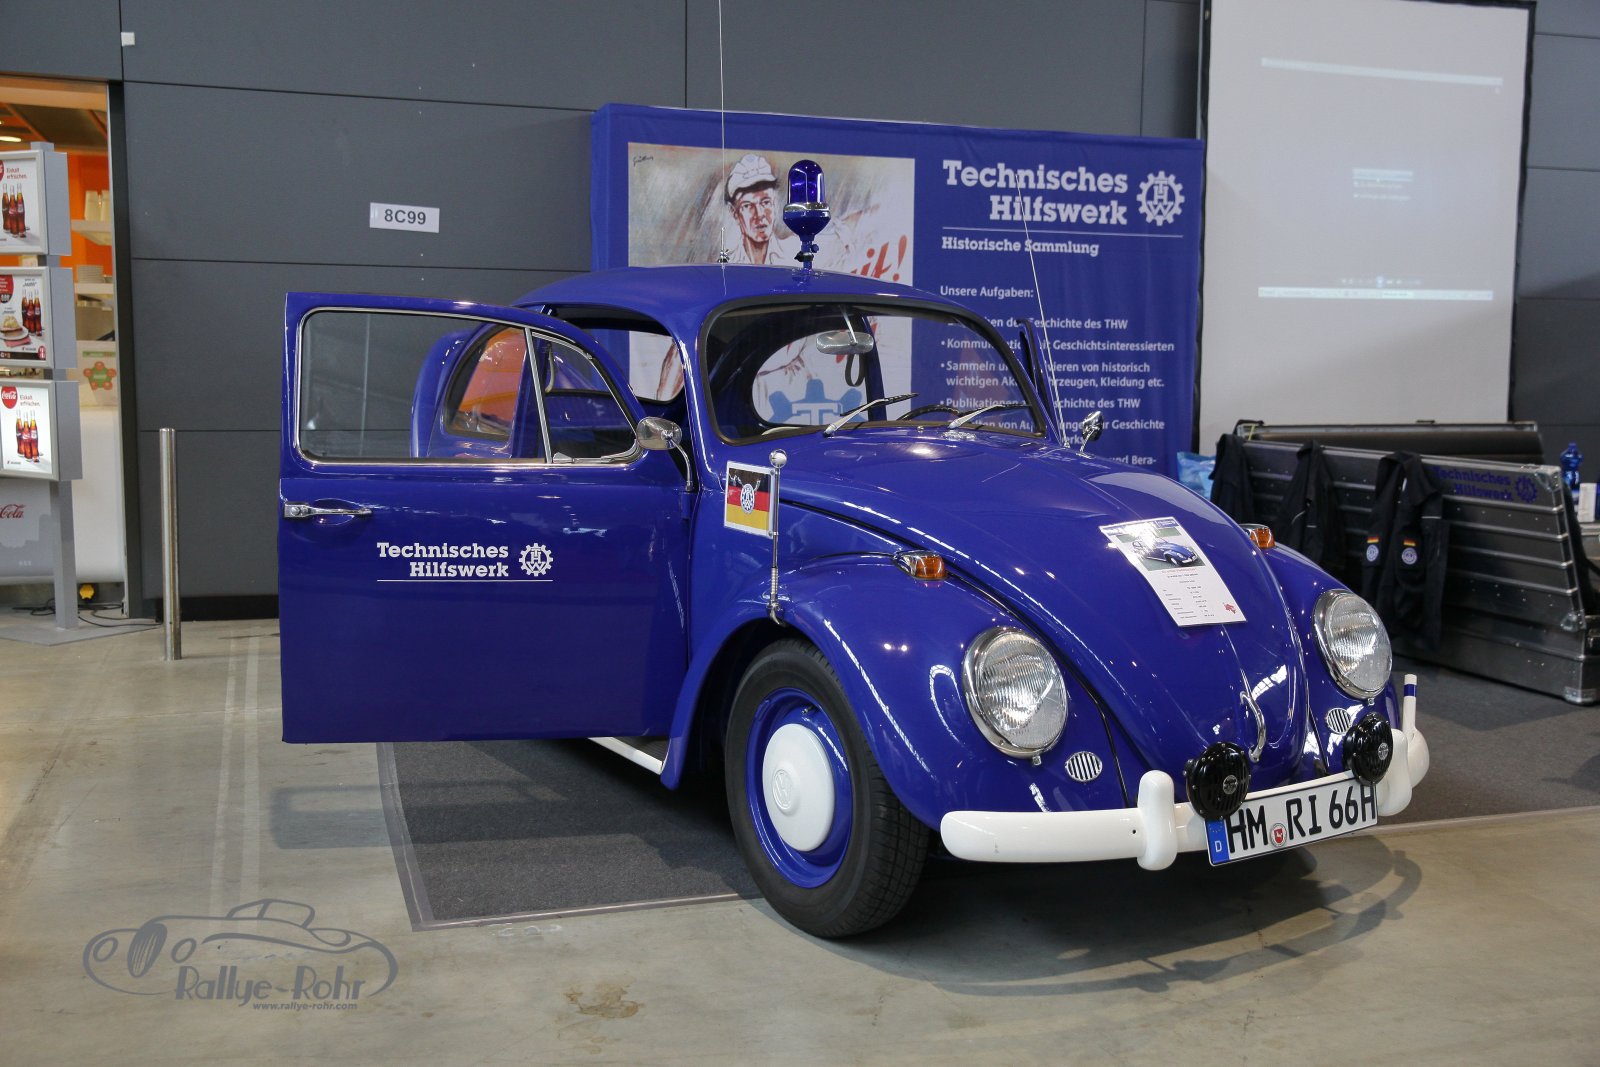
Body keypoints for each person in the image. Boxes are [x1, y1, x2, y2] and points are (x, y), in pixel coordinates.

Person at [723, 154, 799, 265]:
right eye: (747, 206)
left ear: (774, 203)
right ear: (734, 213)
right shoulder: (728, 264)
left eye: (766, 202)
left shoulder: (795, 255)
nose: (759, 214)